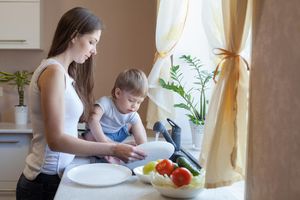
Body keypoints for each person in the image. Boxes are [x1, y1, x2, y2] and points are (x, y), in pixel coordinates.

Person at [16, 7, 146, 200]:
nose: (94, 51)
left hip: (54, 177)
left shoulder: (63, 74)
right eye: (92, 42)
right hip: (43, 182)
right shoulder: (53, 73)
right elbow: (56, 140)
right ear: (74, 36)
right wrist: (112, 148)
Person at [83, 68, 148, 146]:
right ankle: (115, 146)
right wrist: (104, 142)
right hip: (99, 133)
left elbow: (142, 138)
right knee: (90, 138)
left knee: (134, 124)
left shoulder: (132, 113)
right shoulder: (105, 103)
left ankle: (116, 145)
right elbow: (92, 119)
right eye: (131, 100)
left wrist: (143, 147)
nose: (134, 106)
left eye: (139, 102)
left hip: (116, 134)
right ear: (118, 93)